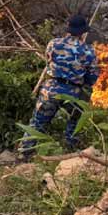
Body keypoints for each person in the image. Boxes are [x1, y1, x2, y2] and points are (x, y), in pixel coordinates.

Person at [20, 15, 100, 160]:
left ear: (68, 29)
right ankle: (72, 152)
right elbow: (92, 77)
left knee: (38, 122)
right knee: (75, 122)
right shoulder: (88, 51)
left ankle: (25, 153)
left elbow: (48, 62)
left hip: (51, 89)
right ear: (82, 32)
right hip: (74, 93)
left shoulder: (53, 44)